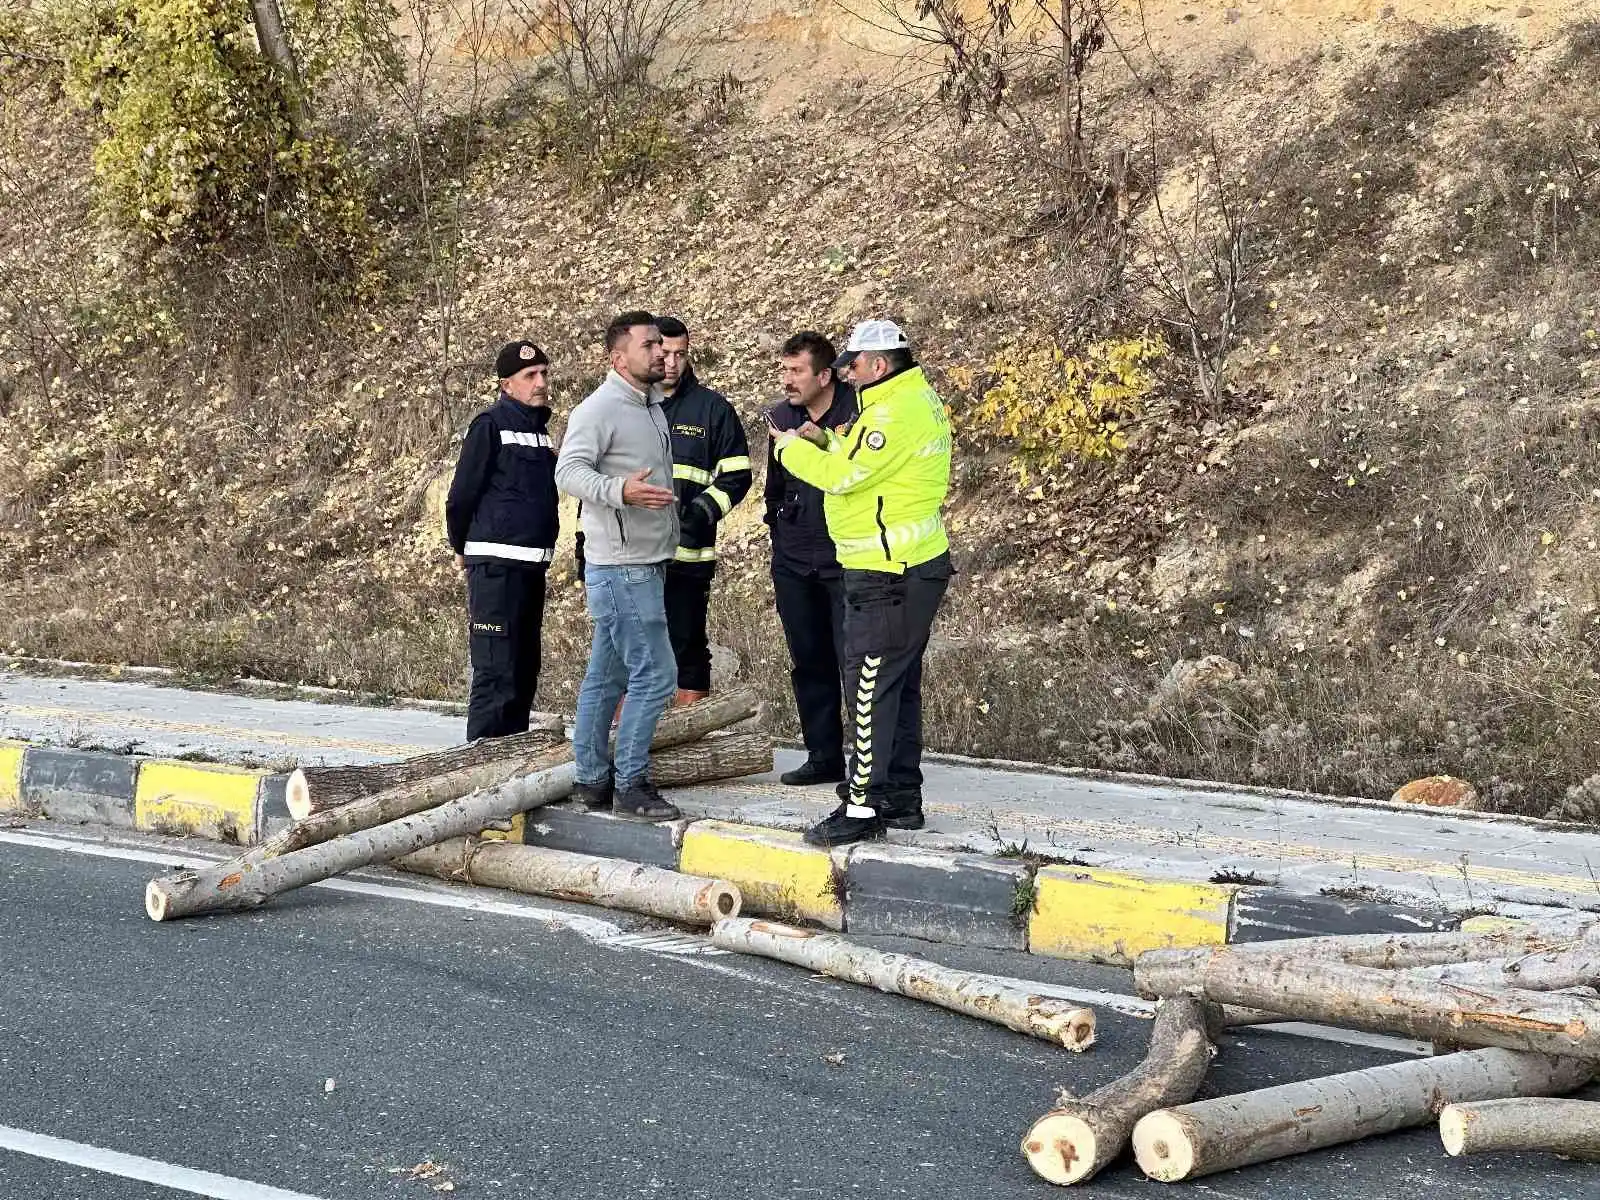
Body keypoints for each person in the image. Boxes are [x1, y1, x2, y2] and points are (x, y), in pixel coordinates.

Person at [769, 320, 953, 847]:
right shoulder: (907, 401)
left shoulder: (893, 412)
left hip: (887, 570)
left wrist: (789, 448)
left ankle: (861, 805)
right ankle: (900, 797)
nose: (845, 371)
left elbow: (845, 477)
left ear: (877, 365)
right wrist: (826, 439)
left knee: (869, 686)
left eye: (852, 363)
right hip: (907, 564)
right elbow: (868, 465)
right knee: (897, 683)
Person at [554, 312, 682, 821]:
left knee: (605, 679)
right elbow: (568, 470)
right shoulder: (599, 408)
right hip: (623, 567)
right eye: (650, 345)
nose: (661, 353)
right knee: (655, 675)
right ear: (618, 357)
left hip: (646, 562)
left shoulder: (651, 405)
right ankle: (631, 786)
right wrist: (620, 491)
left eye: (663, 345)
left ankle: (590, 781)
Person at [445, 340, 559, 742]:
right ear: (506, 385)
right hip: (495, 570)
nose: (541, 382)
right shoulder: (490, 426)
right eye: (530, 375)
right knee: (496, 673)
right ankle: (477, 768)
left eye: (544, 373)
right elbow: (461, 496)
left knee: (524, 670)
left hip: (530, 568)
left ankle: (511, 767)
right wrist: (461, 547)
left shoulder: (540, 432)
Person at [765, 331, 858, 786]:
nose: (787, 380)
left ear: (825, 375)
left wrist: (823, 443)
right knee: (809, 660)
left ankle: (865, 766)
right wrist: (780, 538)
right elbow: (775, 488)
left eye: (796, 371)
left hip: (846, 561)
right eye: (784, 370)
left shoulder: (856, 414)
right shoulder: (781, 417)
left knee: (855, 664)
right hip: (795, 562)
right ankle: (822, 755)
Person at [657, 316, 752, 704]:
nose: (672, 362)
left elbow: (737, 475)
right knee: (626, 652)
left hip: (688, 558)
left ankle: (690, 744)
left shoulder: (711, 409)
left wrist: (698, 514)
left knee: (688, 647)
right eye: (664, 353)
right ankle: (624, 746)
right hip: (631, 557)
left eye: (681, 354)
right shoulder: (627, 406)